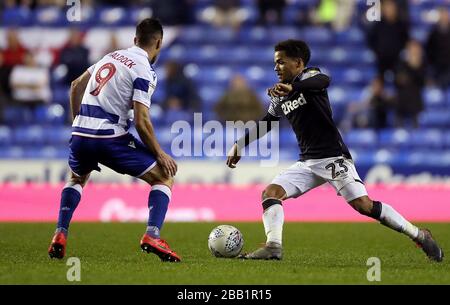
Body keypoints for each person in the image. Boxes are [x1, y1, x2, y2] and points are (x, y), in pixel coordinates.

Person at [226, 39, 443, 262]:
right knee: (270, 193)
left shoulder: (310, 77)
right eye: (275, 63)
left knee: (364, 205)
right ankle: (273, 247)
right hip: (307, 162)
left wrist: (294, 87)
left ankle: (419, 234)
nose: (276, 67)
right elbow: (268, 122)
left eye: (281, 62)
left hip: (333, 157)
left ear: (298, 62)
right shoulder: (280, 95)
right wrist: (239, 145)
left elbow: (324, 80)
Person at [48, 18, 181, 262]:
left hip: (80, 133)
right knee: (164, 176)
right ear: (159, 43)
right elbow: (142, 121)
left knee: (77, 178)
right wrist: (160, 153)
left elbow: (75, 85)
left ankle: (60, 233)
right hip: (109, 137)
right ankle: (152, 235)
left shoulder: (111, 56)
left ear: (134, 40)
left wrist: (79, 122)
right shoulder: (145, 70)